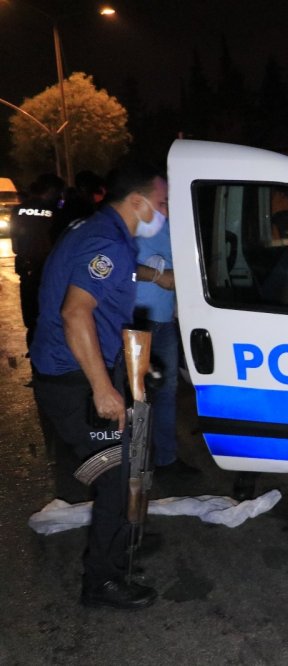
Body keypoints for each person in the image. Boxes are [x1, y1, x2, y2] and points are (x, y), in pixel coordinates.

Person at [30, 161, 169, 610]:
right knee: (117, 475)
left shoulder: (108, 235)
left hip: (82, 370)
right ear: (137, 201)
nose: (165, 212)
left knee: (129, 462)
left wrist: (154, 276)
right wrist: (101, 388)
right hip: (73, 378)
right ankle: (102, 581)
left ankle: (118, 544)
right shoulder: (105, 239)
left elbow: (114, 275)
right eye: (162, 203)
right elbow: (76, 312)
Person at [134, 217, 194, 476]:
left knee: (166, 392)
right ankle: (131, 462)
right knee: (134, 394)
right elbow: (113, 267)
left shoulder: (176, 222)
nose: (164, 206)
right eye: (161, 199)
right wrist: (157, 276)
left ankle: (166, 459)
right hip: (134, 319)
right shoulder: (130, 224)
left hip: (164, 320)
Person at [11, 173, 65, 349]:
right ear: (50, 190)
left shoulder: (18, 210)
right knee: (51, 318)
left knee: (32, 319)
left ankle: (35, 356)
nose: (59, 197)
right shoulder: (56, 212)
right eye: (58, 193)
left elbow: (16, 246)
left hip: (27, 270)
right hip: (50, 272)